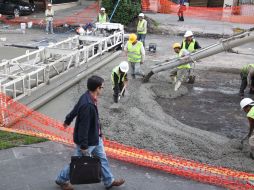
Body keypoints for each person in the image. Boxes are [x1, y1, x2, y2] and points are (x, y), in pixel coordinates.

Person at [55, 75, 125, 190]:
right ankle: (61, 180)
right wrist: (83, 146)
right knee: (78, 162)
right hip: (89, 141)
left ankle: (109, 181)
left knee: (102, 159)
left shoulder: (86, 96)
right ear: (97, 88)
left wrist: (67, 120)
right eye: (102, 87)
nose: (103, 88)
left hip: (95, 138)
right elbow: (84, 128)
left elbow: (75, 110)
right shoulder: (88, 105)